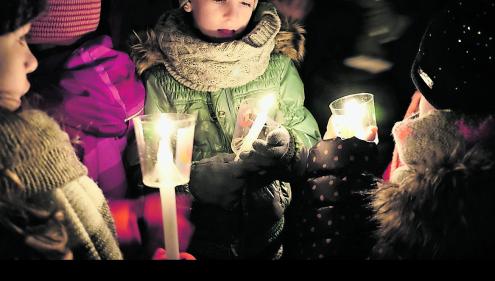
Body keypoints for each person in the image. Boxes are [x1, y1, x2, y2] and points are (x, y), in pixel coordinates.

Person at [280, 0, 495, 259]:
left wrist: (338, 169)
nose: (416, 112)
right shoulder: (423, 129)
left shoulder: (435, 197)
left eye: (425, 96)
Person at [130, 0, 321, 259]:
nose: (232, 15)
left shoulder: (276, 66)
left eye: (244, 1)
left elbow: (309, 143)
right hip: (198, 242)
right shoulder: (160, 79)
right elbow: (148, 169)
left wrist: (287, 148)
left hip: (270, 234)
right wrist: (195, 183)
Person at [25, 0, 194, 259]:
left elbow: (40, 214)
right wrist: (136, 211)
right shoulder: (122, 76)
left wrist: (135, 213)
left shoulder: (36, 109)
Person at [0, 0, 122, 259]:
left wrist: (133, 215)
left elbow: (80, 222)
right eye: (20, 39)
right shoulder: (18, 159)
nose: (31, 61)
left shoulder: (35, 139)